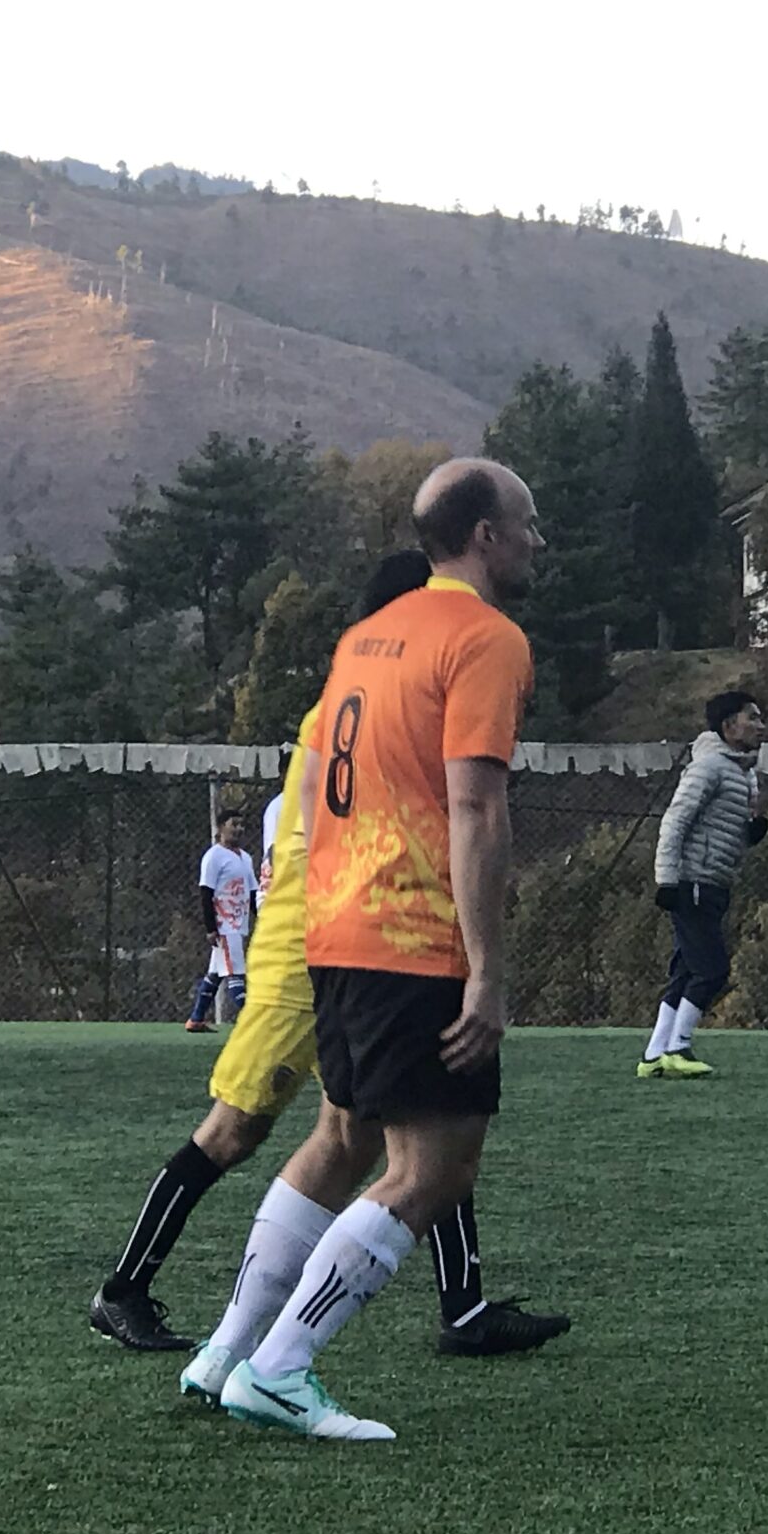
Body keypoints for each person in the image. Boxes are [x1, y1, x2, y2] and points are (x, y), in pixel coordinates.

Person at [90, 550, 568, 1366]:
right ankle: (133, 1290)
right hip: (315, 947)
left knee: (412, 1128)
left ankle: (460, 1304)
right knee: (238, 1132)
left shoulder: (361, 690)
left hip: (343, 938)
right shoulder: (358, 704)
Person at [211, 458, 542, 1441]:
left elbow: (315, 792)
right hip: (412, 937)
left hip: (336, 927)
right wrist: (485, 969)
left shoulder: (365, 635)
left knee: (343, 1139)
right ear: (482, 536)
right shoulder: (485, 637)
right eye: (525, 523)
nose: (535, 541)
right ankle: (280, 1366)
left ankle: (226, 1350)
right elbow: (476, 806)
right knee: (433, 1169)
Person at [639, 690, 767, 1078]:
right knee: (712, 970)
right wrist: (667, 880)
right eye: (753, 718)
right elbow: (676, 820)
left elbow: (723, 828)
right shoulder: (710, 766)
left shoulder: (742, 771)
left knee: (685, 972)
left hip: (714, 882)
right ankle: (679, 1047)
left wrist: (751, 833)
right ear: (729, 726)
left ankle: (653, 1055)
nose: (761, 726)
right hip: (693, 882)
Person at [184, 812, 258, 1033]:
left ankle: (196, 1020)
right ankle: (252, 1022)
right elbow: (206, 893)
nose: (239, 829)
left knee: (215, 974)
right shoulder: (214, 856)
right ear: (220, 828)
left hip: (239, 923)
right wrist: (211, 927)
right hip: (225, 926)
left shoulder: (245, 857)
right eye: (233, 824)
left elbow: (252, 892)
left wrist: (262, 917)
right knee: (235, 973)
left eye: (242, 824)